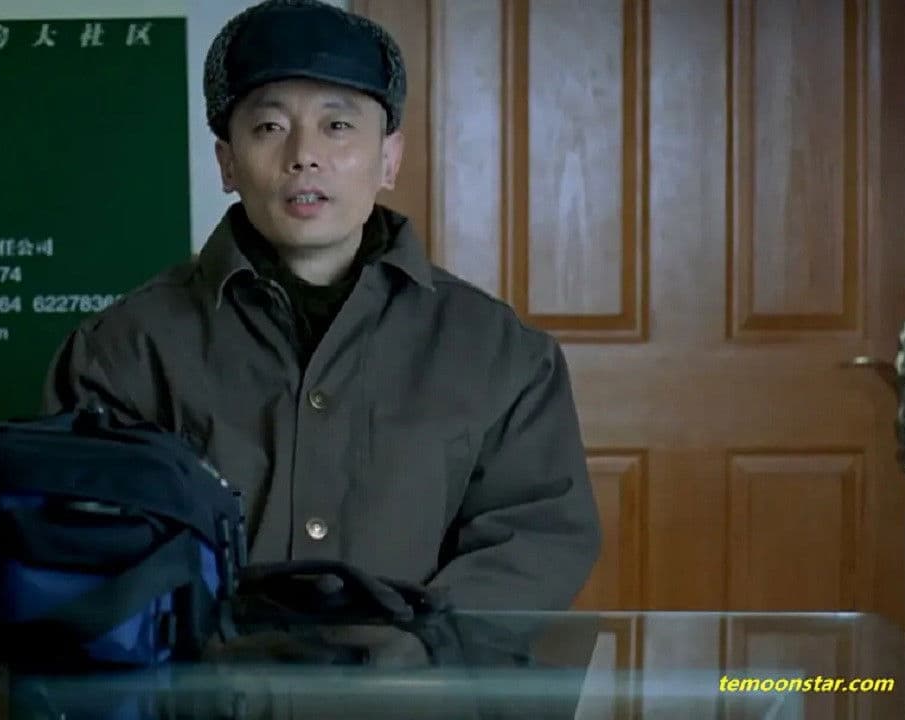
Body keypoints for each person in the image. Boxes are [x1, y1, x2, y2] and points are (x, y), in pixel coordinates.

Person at [43, 0, 601, 612]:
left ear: (389, 158)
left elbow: (536, 538)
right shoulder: (125, 347)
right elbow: (76, 542)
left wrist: (418, 650)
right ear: (227, 163)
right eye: (269, 127)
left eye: (337, 125)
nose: (303, 154)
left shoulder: (497, 350)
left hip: (416, 672)